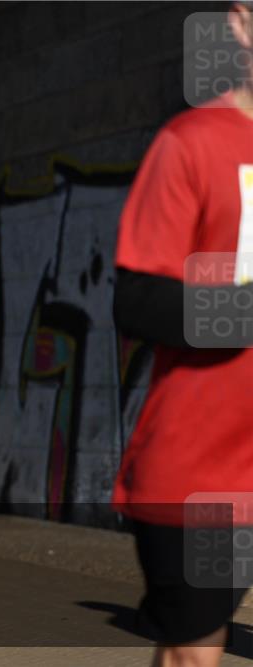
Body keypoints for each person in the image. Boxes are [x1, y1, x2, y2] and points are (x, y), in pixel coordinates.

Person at [112, 4, 253, 666]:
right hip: (209, 468)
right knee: (195, 653)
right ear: (242, 23)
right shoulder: (192, 142)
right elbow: (139, 302)